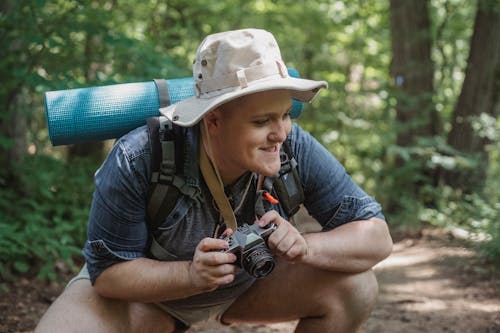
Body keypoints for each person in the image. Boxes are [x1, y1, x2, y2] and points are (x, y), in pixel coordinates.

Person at [36, 28, 392, 333]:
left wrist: (307, 247)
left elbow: (376, 237)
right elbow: (109, 274)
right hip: (149, 297)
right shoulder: (141, 156)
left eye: (285, 115)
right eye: (261, 121)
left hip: (247, 289)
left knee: (355, 286)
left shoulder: (292, 146)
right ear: (214, 121)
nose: (280, 133)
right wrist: (190, 276)